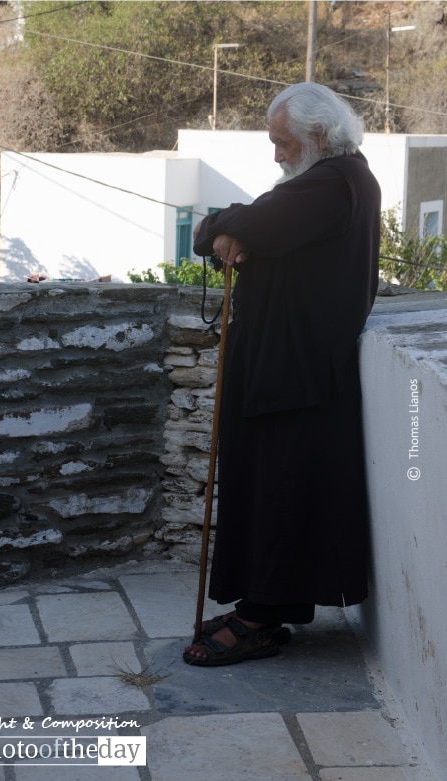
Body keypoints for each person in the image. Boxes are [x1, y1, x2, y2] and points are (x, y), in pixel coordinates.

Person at [183, 82, 381, 667]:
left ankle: (259, 619)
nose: (277, 155)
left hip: (295, 371)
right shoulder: (340, 178)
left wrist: (228, 228)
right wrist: (231, 229)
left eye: (283, 143)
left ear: (319, 137)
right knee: (270, 485)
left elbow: (234, 225)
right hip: (291, 364)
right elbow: (231, 229)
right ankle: (260, 606)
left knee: (279, 490)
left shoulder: (331, 182)